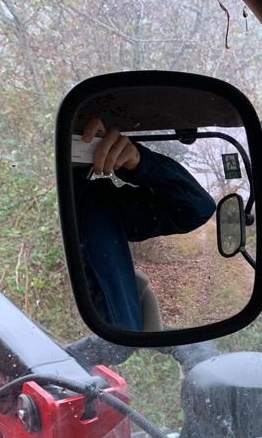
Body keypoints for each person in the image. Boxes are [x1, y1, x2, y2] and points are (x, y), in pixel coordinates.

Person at [74, 118, 217, 331]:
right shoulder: (93, 203)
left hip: (112, 350)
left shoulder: (96, 202)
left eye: (83, 135)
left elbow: (196, 209)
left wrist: (139, 163)